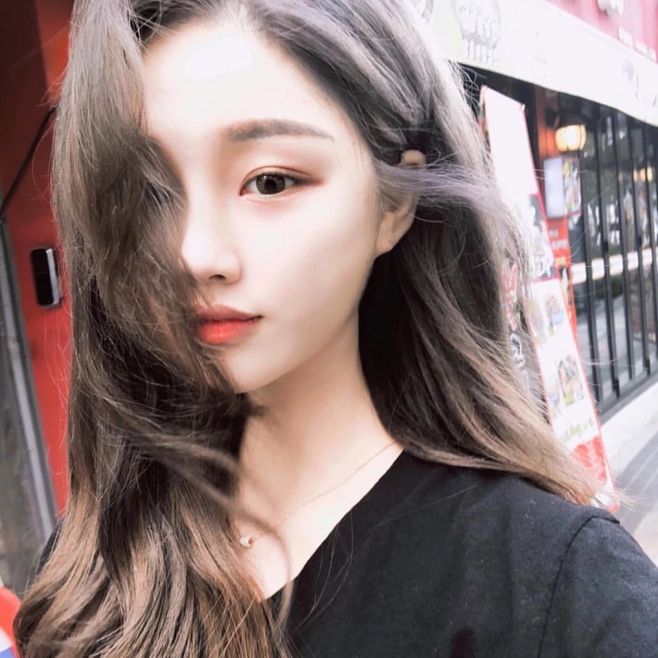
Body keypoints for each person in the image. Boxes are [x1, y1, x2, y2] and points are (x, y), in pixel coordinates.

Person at [14, 0, 658, 656]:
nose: (196, 254)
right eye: (150, 192)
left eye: (271, 182)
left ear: (395, 202)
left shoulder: (560, 595)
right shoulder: (95, 561)